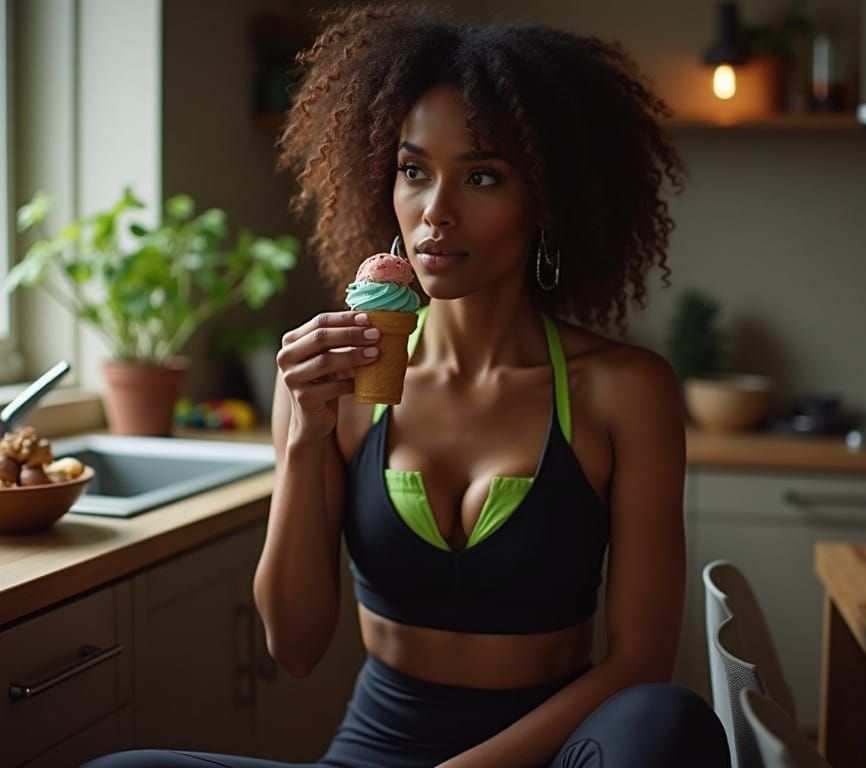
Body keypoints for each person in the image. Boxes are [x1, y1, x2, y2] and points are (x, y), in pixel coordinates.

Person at [83, 3, 729, 767]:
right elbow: (293, 645)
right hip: (374, 753)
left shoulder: (626, 391)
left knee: (669, 723)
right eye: (413, 171)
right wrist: (303, 440)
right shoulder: (333, 379)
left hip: (552, 755)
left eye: (482, 176)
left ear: (548, 201)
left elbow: (640, 664)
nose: (436, 213)